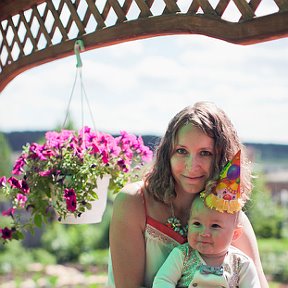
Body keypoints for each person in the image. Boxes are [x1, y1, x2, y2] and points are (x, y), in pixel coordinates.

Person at [107, 101, 268, 288]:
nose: (192, 166)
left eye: (205, 153)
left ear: (222, 158)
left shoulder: (231, 217)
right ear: (168, 153)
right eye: (181, 151)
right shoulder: (134, 201)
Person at [152, 151, 261, 287]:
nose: (204, 232)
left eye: (215, 226)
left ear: (235, 234)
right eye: (197, 223)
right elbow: (163, 280)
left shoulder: (241, 264)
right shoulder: (183, 255)